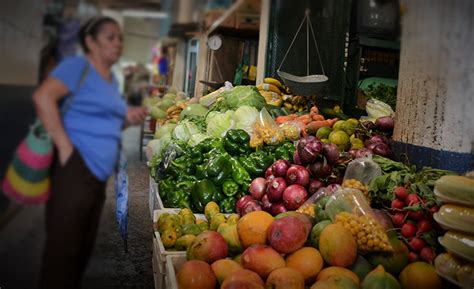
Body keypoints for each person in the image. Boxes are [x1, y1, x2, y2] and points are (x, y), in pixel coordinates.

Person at [32, 16, 147, 289]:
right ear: (90, 42)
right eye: (110, 37)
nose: (118, 43)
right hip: (76, 170)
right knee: (63, 251)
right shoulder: (77, 66)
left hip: (97, 176)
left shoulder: (109, 79)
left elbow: (105, 119)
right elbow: (43, 97)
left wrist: (128, 116)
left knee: (81, 248)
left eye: (120, 37)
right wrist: (65, 146)